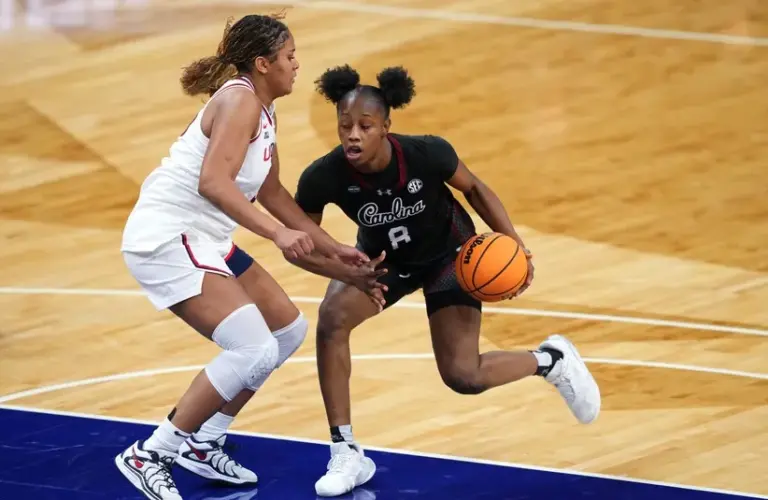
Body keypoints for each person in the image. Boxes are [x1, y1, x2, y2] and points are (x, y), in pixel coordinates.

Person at [291, 64, 602, 497]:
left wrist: (514, 244)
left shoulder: (427, 153)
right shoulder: (323, 176)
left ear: (386, 127)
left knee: (464, 376)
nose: (353, 136)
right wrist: (344, 271)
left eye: (364, 126)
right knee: (331, 319)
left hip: (450, 258)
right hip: (385, 264)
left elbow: (474, 189)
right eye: (345, 126)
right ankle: (345, 450)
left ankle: (551, 361)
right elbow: (302, 244)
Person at [116, 16, 384, 500]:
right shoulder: (238, 100)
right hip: (167, 236)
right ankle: (151, 453)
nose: (296, 64)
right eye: (289, 56)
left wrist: (333, 247)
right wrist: (279, 235)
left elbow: (272, 193)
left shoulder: (263, 110)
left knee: (286, 331)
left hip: (205, 238)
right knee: (252, 348)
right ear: (263, 64)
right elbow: (213, 183)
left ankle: (203, 440)